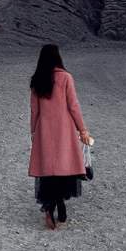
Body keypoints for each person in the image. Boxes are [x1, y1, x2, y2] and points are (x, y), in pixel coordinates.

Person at [28, 43, 92, 230]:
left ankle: (49, 205)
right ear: (58, 57)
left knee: (48, 171)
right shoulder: (66, 78)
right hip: (64, 131)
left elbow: (34, 111)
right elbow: (73, 106)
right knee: (64, 169)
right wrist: (83, 130)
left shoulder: (37, 79)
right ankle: (60, 206)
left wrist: (33, 132)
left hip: (43, 131)